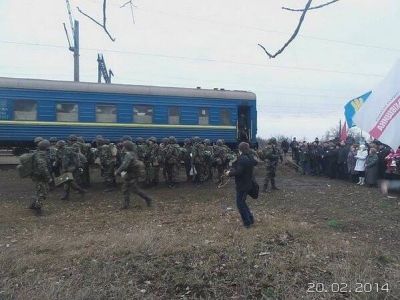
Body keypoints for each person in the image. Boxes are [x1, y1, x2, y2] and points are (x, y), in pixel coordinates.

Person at [226, 142, 257, 228]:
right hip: (249, 183)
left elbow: (239, 172)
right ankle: (250, 218)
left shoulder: (242, 159)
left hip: (242, 185)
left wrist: (229, 173)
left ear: (240, 149)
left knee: (240, 204)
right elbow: (246, 167)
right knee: (242, 202)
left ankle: (247, 223)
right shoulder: (250, 157)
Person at [115, 141, 153, 209]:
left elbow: (125, 165)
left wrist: (118, 171)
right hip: (132, 173)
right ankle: (126, 205)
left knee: (134, 189)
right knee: (125, 188)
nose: (122, 148)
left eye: (123, 146)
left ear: (126, 147)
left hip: (131, 174)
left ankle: (148, 198)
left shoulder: (128, 154)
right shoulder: (133, 153)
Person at [29, 140, 52, 212]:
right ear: (46, 147)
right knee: (43, 192)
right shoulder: (42, 155)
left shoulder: (36, 153)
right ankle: (38, 208)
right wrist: (48, 178)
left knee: (38, 190)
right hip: (41, 176)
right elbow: (43, 168)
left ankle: (33, 205)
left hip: (36, 175)